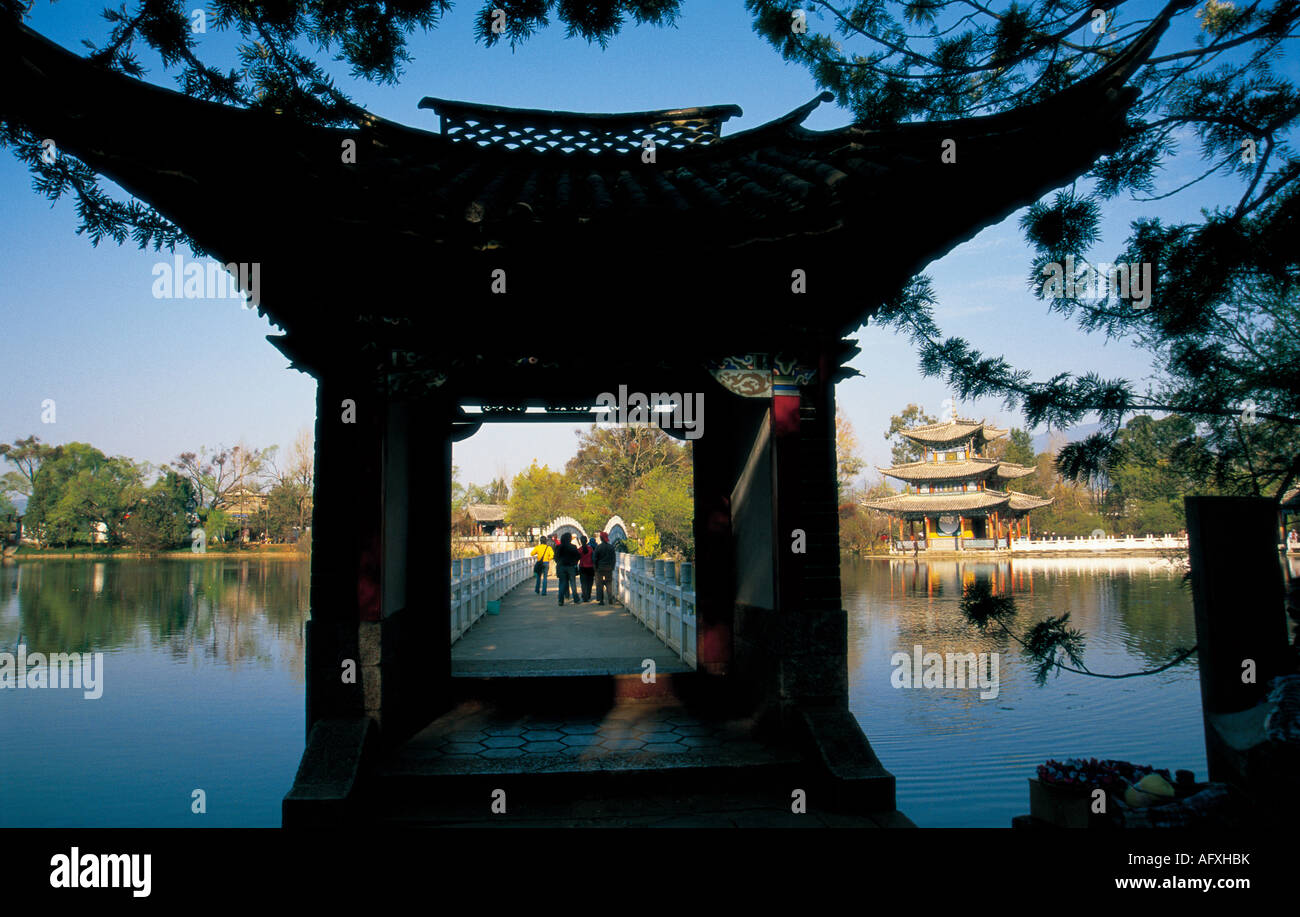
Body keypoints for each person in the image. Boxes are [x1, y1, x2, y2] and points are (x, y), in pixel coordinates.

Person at [554, 532, 582, 606]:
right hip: (570, 567)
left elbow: (555, 557)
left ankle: (561, 600)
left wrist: (559, 562)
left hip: (561, 567)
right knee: (573, 583)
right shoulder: (573, 547)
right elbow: (578, 556)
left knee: (562, 583)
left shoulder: (559, 547)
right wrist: (575, 562)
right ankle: (576, 599)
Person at [594, 531, 617, 605]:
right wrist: (612, 567)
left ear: (601, 538)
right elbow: (614, 558)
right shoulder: (611, 547)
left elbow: (595, 559)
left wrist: (595, 568)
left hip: (600, 568)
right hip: (609, 568)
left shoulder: (598, 547)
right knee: (608, 583)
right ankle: (610, 598)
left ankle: (601, 600)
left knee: (599, 584)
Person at [577, 534, 596, 603]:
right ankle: (588, 595)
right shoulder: (590, 549)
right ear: (586, 541)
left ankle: (584, 596)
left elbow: (577, 558)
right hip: (590, 567)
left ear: (580, 541)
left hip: (582, 567)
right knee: (590, 582)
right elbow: (593, 558)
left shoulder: (579, 549)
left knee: (583, 583)